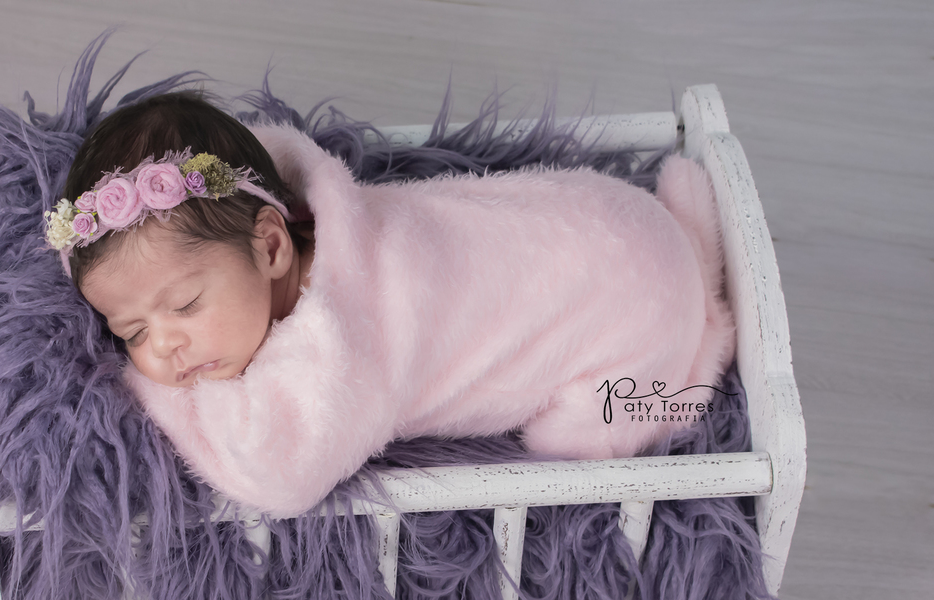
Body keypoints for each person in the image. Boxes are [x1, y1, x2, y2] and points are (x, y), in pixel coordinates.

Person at [50, 92, 735, 516]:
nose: (162, 347)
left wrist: (146, 391)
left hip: (635, 325)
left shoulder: (336, 342)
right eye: (129, 332)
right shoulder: (324, 218)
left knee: (588, 435)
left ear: (272, 246)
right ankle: (687, 247)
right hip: (622, 217)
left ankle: (689, 354)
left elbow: (278, 475)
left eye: (184, 305)